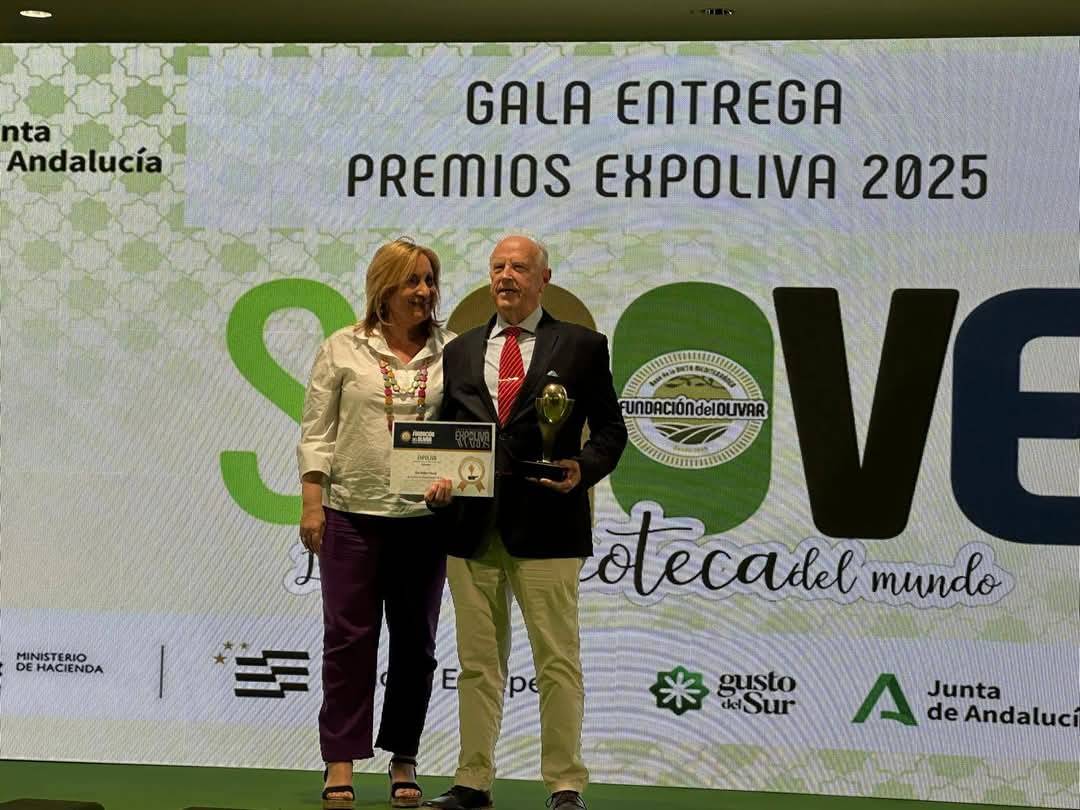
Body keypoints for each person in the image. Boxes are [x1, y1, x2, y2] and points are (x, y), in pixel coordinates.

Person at [425, 235, 627, 810]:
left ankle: (565, 784)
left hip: (550, 524)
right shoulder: (460, 349)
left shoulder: (583, 346)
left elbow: (611, 430)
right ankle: (472, 781)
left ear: (544, 279)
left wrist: (583, 468)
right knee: (476, 665)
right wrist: (435, 482)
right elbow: (444, 435)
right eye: (497, 267)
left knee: (556, 660)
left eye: (518, 267)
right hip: (471, 529)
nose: (505, 276)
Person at [298, 238, 454, 810]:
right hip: (350, 517)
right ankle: (340, 759)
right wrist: (312, 502)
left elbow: (466, 434)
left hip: (423, 521)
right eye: (412, 280)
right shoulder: (342, 347)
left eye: (429, 280)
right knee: (347, 642)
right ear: (383, 288)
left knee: (416, 646)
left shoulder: (452, 351)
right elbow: (317, 430)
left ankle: (404, 757)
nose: (423, 291)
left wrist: (455, 479)